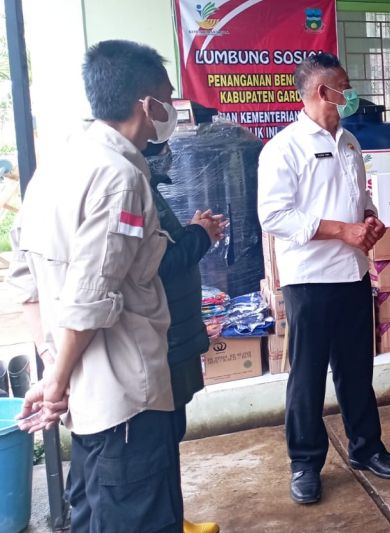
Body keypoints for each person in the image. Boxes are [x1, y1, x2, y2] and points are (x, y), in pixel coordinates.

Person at [9, 40, 183, 531]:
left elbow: (26, 279)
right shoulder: (120, 177)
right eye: (166, 100)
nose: (169, 113)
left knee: (93, 513)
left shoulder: (57, 165)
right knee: (139, 516)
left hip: (85, 401)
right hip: (124, 398)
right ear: (145, 106)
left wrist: (52, 374)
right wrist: (56, 384)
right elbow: (90, 298)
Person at [258, 52, 390, 505]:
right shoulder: (283, 148)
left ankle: (367, 447)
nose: (351, 92)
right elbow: (273, 215)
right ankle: (305, 463)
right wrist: (342, 230)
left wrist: (369, 218)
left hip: (353, 274)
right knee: (306, 376)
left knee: (356, 369)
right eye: (344, 85)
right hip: (310, 279)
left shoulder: (348, 141)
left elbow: (356, 198)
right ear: (323, 91)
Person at [144, 141, 226, 533]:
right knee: (161, 436)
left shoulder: (147, 187)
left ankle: (174, 517)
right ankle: (168, 521)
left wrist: (193, 229)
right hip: (164, 336)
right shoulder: (130, 188)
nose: (167, 149)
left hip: (175, 332)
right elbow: (162, 264)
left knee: (170, 432)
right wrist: (200, 234)